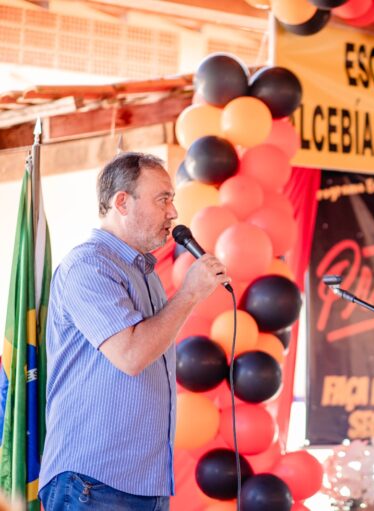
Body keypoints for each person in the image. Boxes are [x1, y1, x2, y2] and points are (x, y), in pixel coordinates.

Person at [38, 152, 230, 511]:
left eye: (172, 199)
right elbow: (130, 355)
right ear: (122, 202)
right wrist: (189, 294)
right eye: (163, 199)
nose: (173, 212)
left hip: (145, 483)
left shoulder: (146, 275)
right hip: (93, 481)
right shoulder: (89, 266)